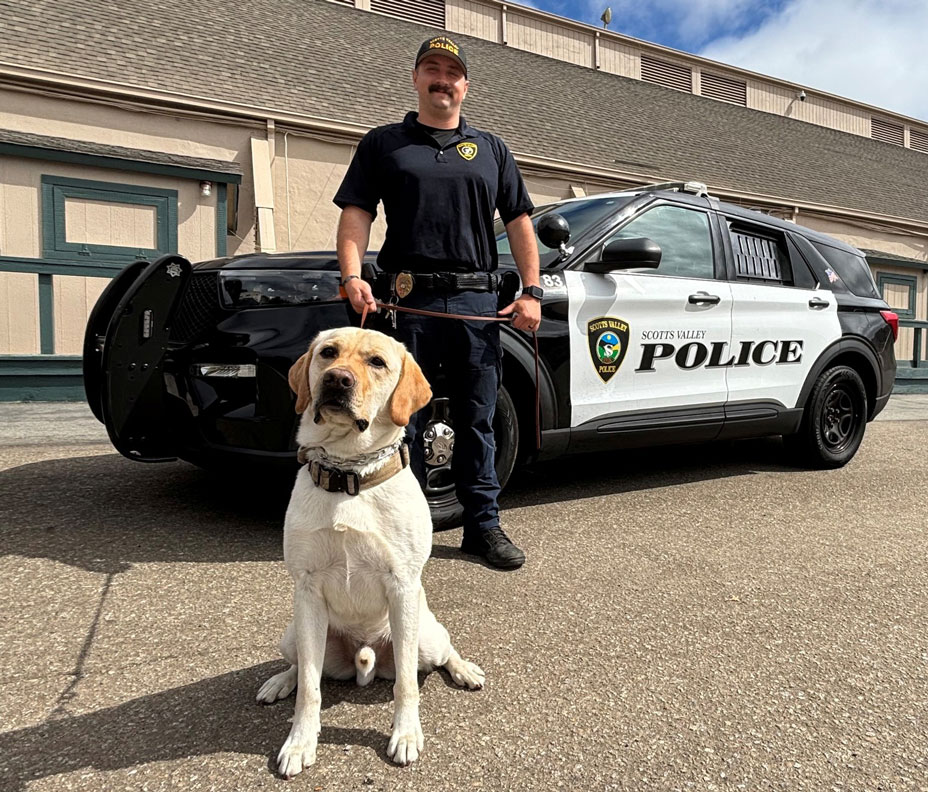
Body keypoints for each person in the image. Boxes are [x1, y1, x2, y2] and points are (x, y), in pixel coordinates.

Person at [333, 34, 542, 569]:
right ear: (416, 79)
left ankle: (483, 528)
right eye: (432, 68)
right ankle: (409, 530)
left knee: (477, 419)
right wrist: (353, 275)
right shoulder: (383, 144)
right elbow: (357, 211)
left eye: (452, 71)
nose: (442, 79)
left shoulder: (492, 149)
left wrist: (532, 290)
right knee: (404, 417)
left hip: (477, 305)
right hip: (408, 302)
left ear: (465, 85)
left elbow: (519, 221)